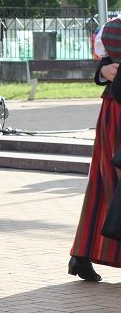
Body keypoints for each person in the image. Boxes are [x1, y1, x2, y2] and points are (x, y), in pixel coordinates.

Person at [69, 20, 121, 282]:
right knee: (108, 180)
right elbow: (105, 63)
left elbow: (106, 62)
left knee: (104, 180)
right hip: (116, 108)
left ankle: (82, 254)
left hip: (113, 108)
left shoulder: (112, 26)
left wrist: (107, 70)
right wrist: (106, 70)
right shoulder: (113, 26)